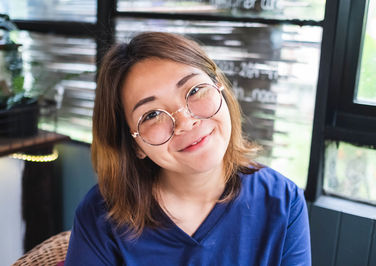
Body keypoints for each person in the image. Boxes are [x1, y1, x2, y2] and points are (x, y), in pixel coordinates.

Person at [65, 32, 311, 265]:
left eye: (194, 90)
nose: (185, 122)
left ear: (219, 88)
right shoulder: (100, 216)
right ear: (134, 144)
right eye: (151, 115)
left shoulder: (284, 202)